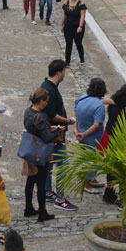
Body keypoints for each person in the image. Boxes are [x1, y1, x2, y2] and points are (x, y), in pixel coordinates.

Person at [40, 60, 77, 211]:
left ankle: (48, 191)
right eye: (64, 71)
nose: (64, 74)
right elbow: (52, 114)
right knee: (63, 165)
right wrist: (69, 121)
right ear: (59, 72)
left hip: (49, 135)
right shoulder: (51, 91)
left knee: (49, 164)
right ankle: (60, 198)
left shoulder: (46, 86)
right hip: (55, 134)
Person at [22, 89, 57, 222]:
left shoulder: (28, 111)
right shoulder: (41, 117)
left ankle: (28, 207)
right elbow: (48, 137)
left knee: (30, 181)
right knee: (41, 183)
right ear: (41, 101)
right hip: (40, 152)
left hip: (30, 149)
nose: (47, 104)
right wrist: (57, 130)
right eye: (46, 101)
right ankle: (42, 212)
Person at [74, 78, 106, 193]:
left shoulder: (82, 98)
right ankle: (87, 184)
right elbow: (96, 125)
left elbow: (75, 114)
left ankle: (92, 179)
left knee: (87, 159)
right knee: (91, 161)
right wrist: (84, 134)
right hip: (93, 138)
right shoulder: (99, 105)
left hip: (81, 135)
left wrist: (76, 130)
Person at [61, 0, 87, 65]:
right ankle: (67, 61)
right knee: (68, 44)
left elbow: (82, 16)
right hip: (68, 27)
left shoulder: (81, 4)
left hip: (77, 27)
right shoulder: (66, 3)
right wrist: (61, 25)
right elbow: (64, 15)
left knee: (78, 43)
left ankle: (81, 58)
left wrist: (80, 26)